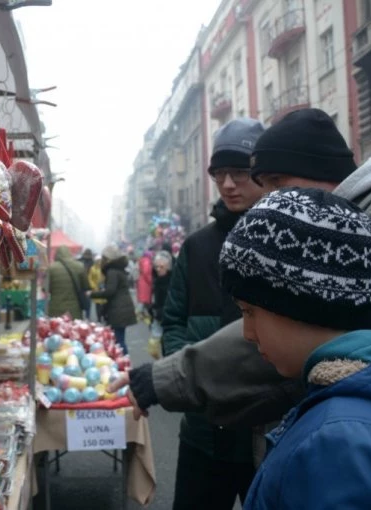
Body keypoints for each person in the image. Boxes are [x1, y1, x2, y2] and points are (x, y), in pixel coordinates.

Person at [113, 109, 371, 463]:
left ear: (320, 172)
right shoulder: (205, 243)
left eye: (275, 183)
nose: (266, 197)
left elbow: (301, 335)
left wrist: (170, 377)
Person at [221, 187, 371, 508]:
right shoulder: (356, 411)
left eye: (250, 311)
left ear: (302, 304)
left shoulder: (339, 444)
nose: (247, 333)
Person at [159, 117, 266, 510]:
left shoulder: (284, 238)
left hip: (267, 435)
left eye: (239, 172)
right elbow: (172, 321)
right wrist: (192, 382)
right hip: (205, 434)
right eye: (220, 174)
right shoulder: (197, 246)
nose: (228, 184)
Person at [88, 245, 137, 354]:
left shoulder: (112, 272)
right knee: (119, 338)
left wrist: (93, 294)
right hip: (121, 308)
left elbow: (110, 291)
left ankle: (124, 363)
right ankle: (124, 361)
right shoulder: (118, 269)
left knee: (118, 341)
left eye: (104, 258)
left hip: (118, 310)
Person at [47, 245, 89, 320]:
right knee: (73, 330)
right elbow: (85, 287)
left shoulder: (51, 268)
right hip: (74, 309)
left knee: (56, 329)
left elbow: (47, 289)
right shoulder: (80, 266)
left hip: (56, 309)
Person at [147, 251, 173, 359]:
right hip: (158, 317)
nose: (158, 269)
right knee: (154, 347)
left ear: (168, 267)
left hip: (170, 319)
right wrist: (152, 308)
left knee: (169, 347)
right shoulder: (157, 280)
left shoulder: (172, 281)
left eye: (161, 267)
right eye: (156, 267)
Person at [88, 255, 107, 323]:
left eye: (100, 261)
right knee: (97, 305)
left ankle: (104, 316)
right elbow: (90, 278)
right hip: (96, 289)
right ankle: (99, 317)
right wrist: (93, 286)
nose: (99, 262)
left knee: (104, 304)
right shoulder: (92, 268)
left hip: (103, 289)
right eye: (98, 261)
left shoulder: (104, 268)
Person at [136, 251, 153, 323]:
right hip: (145, 283)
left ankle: (143, 315)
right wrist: (150, 280)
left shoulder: (142, 261)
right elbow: (146, 272)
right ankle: (137, 314)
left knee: (143, 300)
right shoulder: (147, 261)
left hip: (142, 281)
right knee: (143, 300)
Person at [79, 249, 95, 318]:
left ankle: (80, 316)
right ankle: (87, 317)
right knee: (88, 302)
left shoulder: (79, 261)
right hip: (89, 285)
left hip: (80, 284)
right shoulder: (92, 262)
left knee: (80, 300)